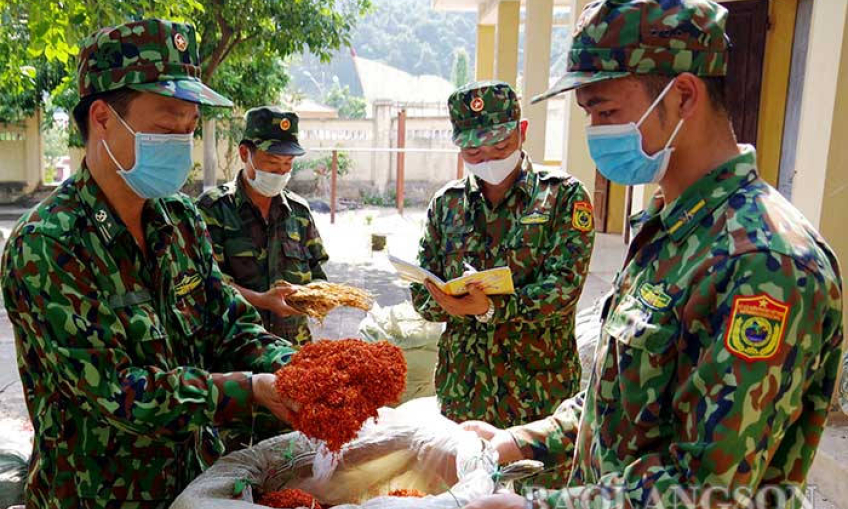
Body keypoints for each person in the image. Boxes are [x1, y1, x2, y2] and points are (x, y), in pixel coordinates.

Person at [461, 2, 844, 508]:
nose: (596, 131)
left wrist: (539, 507)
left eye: (606, 111)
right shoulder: (671, 230)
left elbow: (710, 488)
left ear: (683, 95)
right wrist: (517, 442)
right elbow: (623, 402)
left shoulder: (766, 263)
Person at [0, 19, 300, 508]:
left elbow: (229, 326)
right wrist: (248, 390)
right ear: (102, 118)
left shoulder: (179, 219)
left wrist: (296, 369)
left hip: (194, 486)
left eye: (189, 128)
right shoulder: (48, 244)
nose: (181, 142)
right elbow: (116, 392)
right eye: (165, 129)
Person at [410, 81, 595, 440]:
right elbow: (421, 292)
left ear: (521, 132)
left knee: (533, 495)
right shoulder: (447, 204)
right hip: (463, 392)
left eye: (499, 145)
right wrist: (448, 304)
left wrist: (493, 309)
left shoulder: (563, 197)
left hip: (539, 394)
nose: (488, 159)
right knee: (464, 492)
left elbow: (563, 289)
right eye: (473, 151)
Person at [197, 107, 328, 347]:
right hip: (237, 351)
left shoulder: (299, 212)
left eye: (288, 163)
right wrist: (261, 300)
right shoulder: (212, 209)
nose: (281, 172)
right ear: (245, 153)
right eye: (272, 162)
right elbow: (205, 284)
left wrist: (315, 295)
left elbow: (317, 273)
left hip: (294, 348)